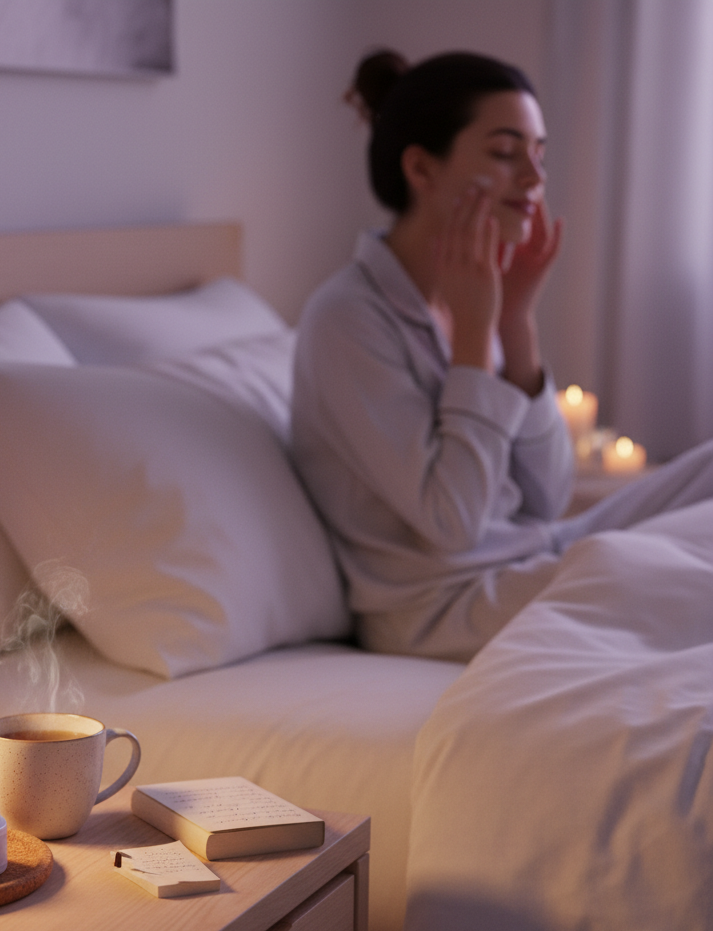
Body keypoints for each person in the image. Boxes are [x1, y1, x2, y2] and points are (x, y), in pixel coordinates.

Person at [291, 50, 713, 662]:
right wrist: (474, 339)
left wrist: (515, 325)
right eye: (505, 153)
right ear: (422, 169)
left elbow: (548, 496)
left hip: (532, 553)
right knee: (680, 572)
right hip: (443, 604)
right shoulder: (345, 320)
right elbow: (452, 523)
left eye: (539, 154)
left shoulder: (472, 295)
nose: (534, 178)